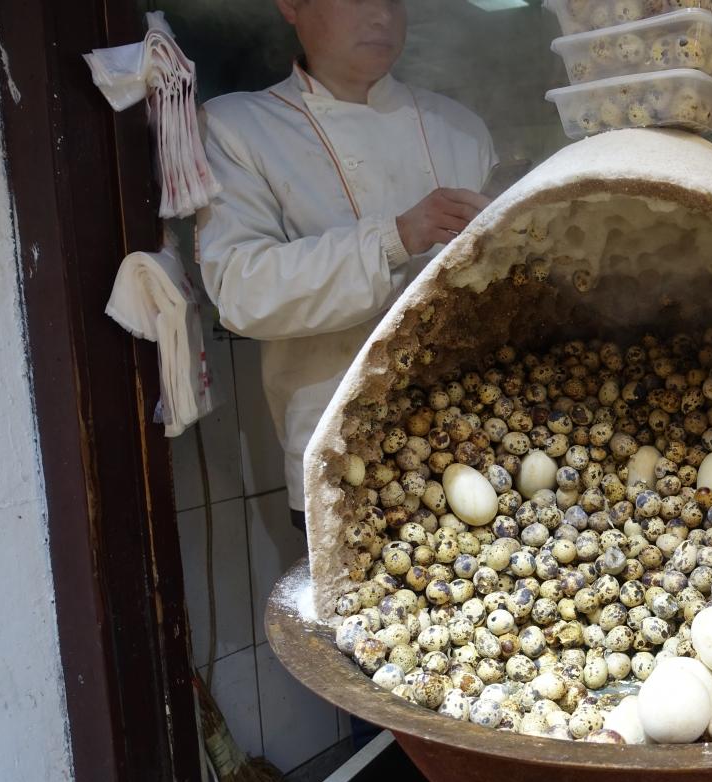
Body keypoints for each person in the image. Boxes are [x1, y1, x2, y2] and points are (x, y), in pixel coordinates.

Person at [197, 0, 497, 530]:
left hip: (485, 434)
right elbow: (242, 292)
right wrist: (395, 238)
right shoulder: (238, 127)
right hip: (340, 447)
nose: (381, 15)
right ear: (291, 5)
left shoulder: (461, 128)